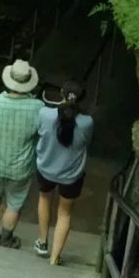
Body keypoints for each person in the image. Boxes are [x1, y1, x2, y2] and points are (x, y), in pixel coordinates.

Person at [0, 59, 45, 249]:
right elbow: (42, 137)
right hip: (21, 166)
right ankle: (6, 238)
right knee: (15, 202)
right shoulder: (38, 108)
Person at [34, 81, 93, 265]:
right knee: (65, 213)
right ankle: (54, 257)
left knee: (44, 199)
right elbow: (87, 142)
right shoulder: (87, 122)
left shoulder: (45, 114)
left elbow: (39, 132)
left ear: (61, 93)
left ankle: (42, 242)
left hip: (46, 168)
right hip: (71, 175)